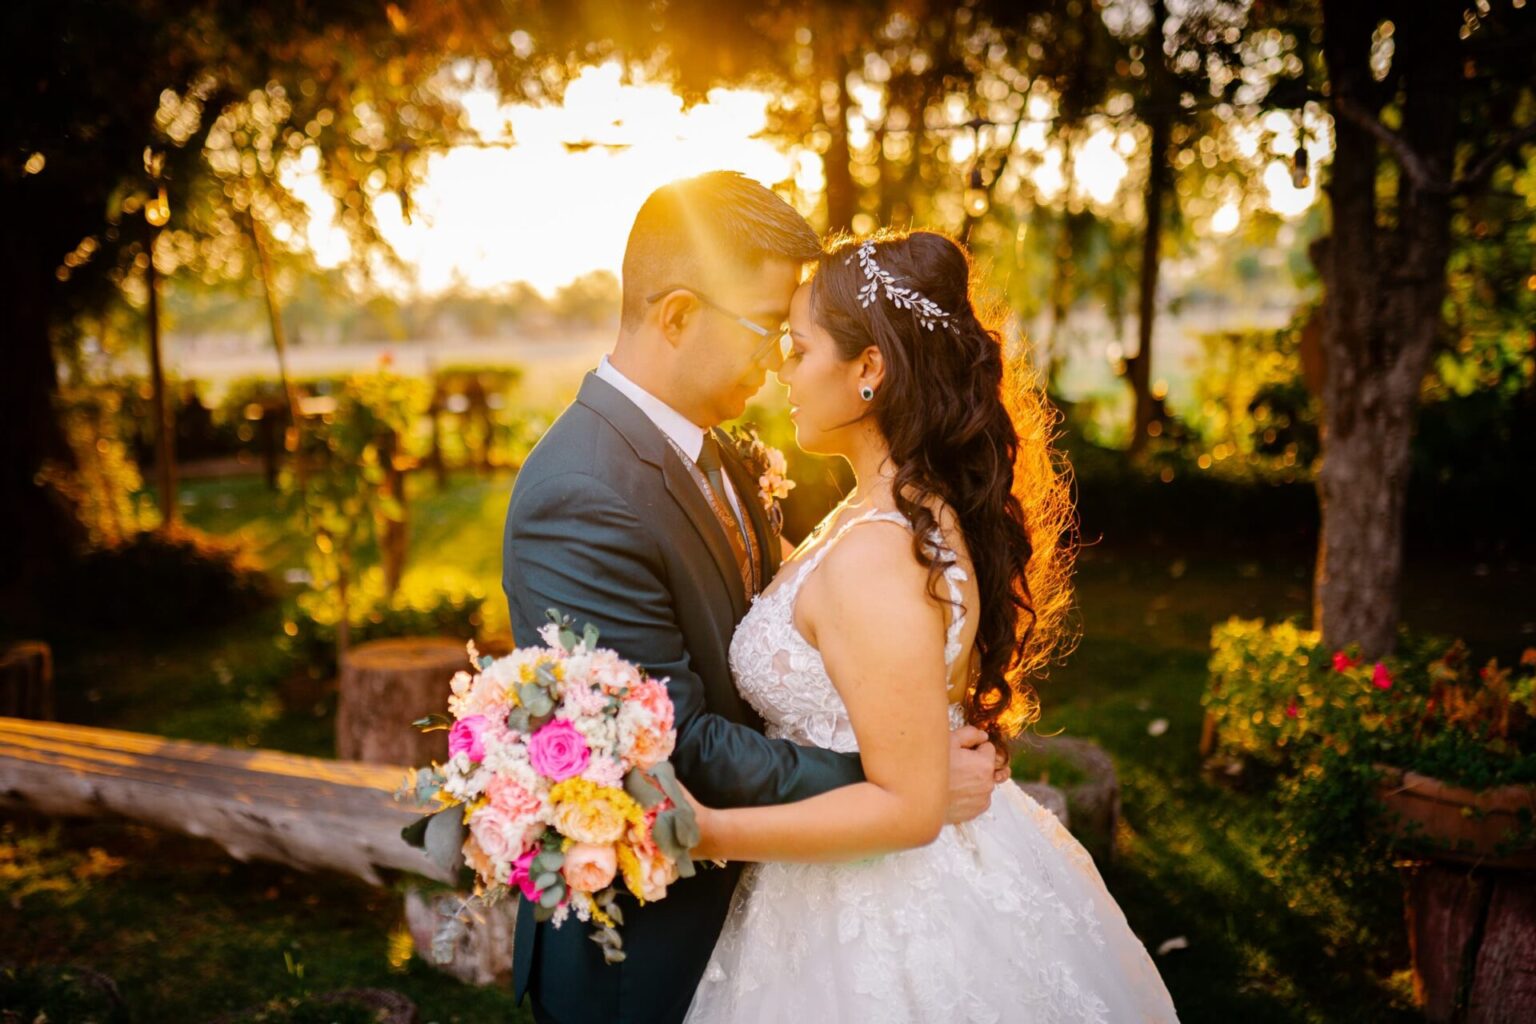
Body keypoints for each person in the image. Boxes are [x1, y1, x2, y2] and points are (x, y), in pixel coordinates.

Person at [501, 173, 1005, 1024]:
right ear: (677, 316)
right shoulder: (580, 493)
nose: (778, 361)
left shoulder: (721, 452)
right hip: (647, 947)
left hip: (776, 915)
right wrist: (898, 782)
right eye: (768, 328)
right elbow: (677, 745)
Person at [681, 229, 1180, 1023]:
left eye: (799, 349)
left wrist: (702, 832)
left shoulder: (878, 553)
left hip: (877, 907)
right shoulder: (896, 511)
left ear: (869, 370)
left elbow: (910, 808)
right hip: (893, 877)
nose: (782, 367)